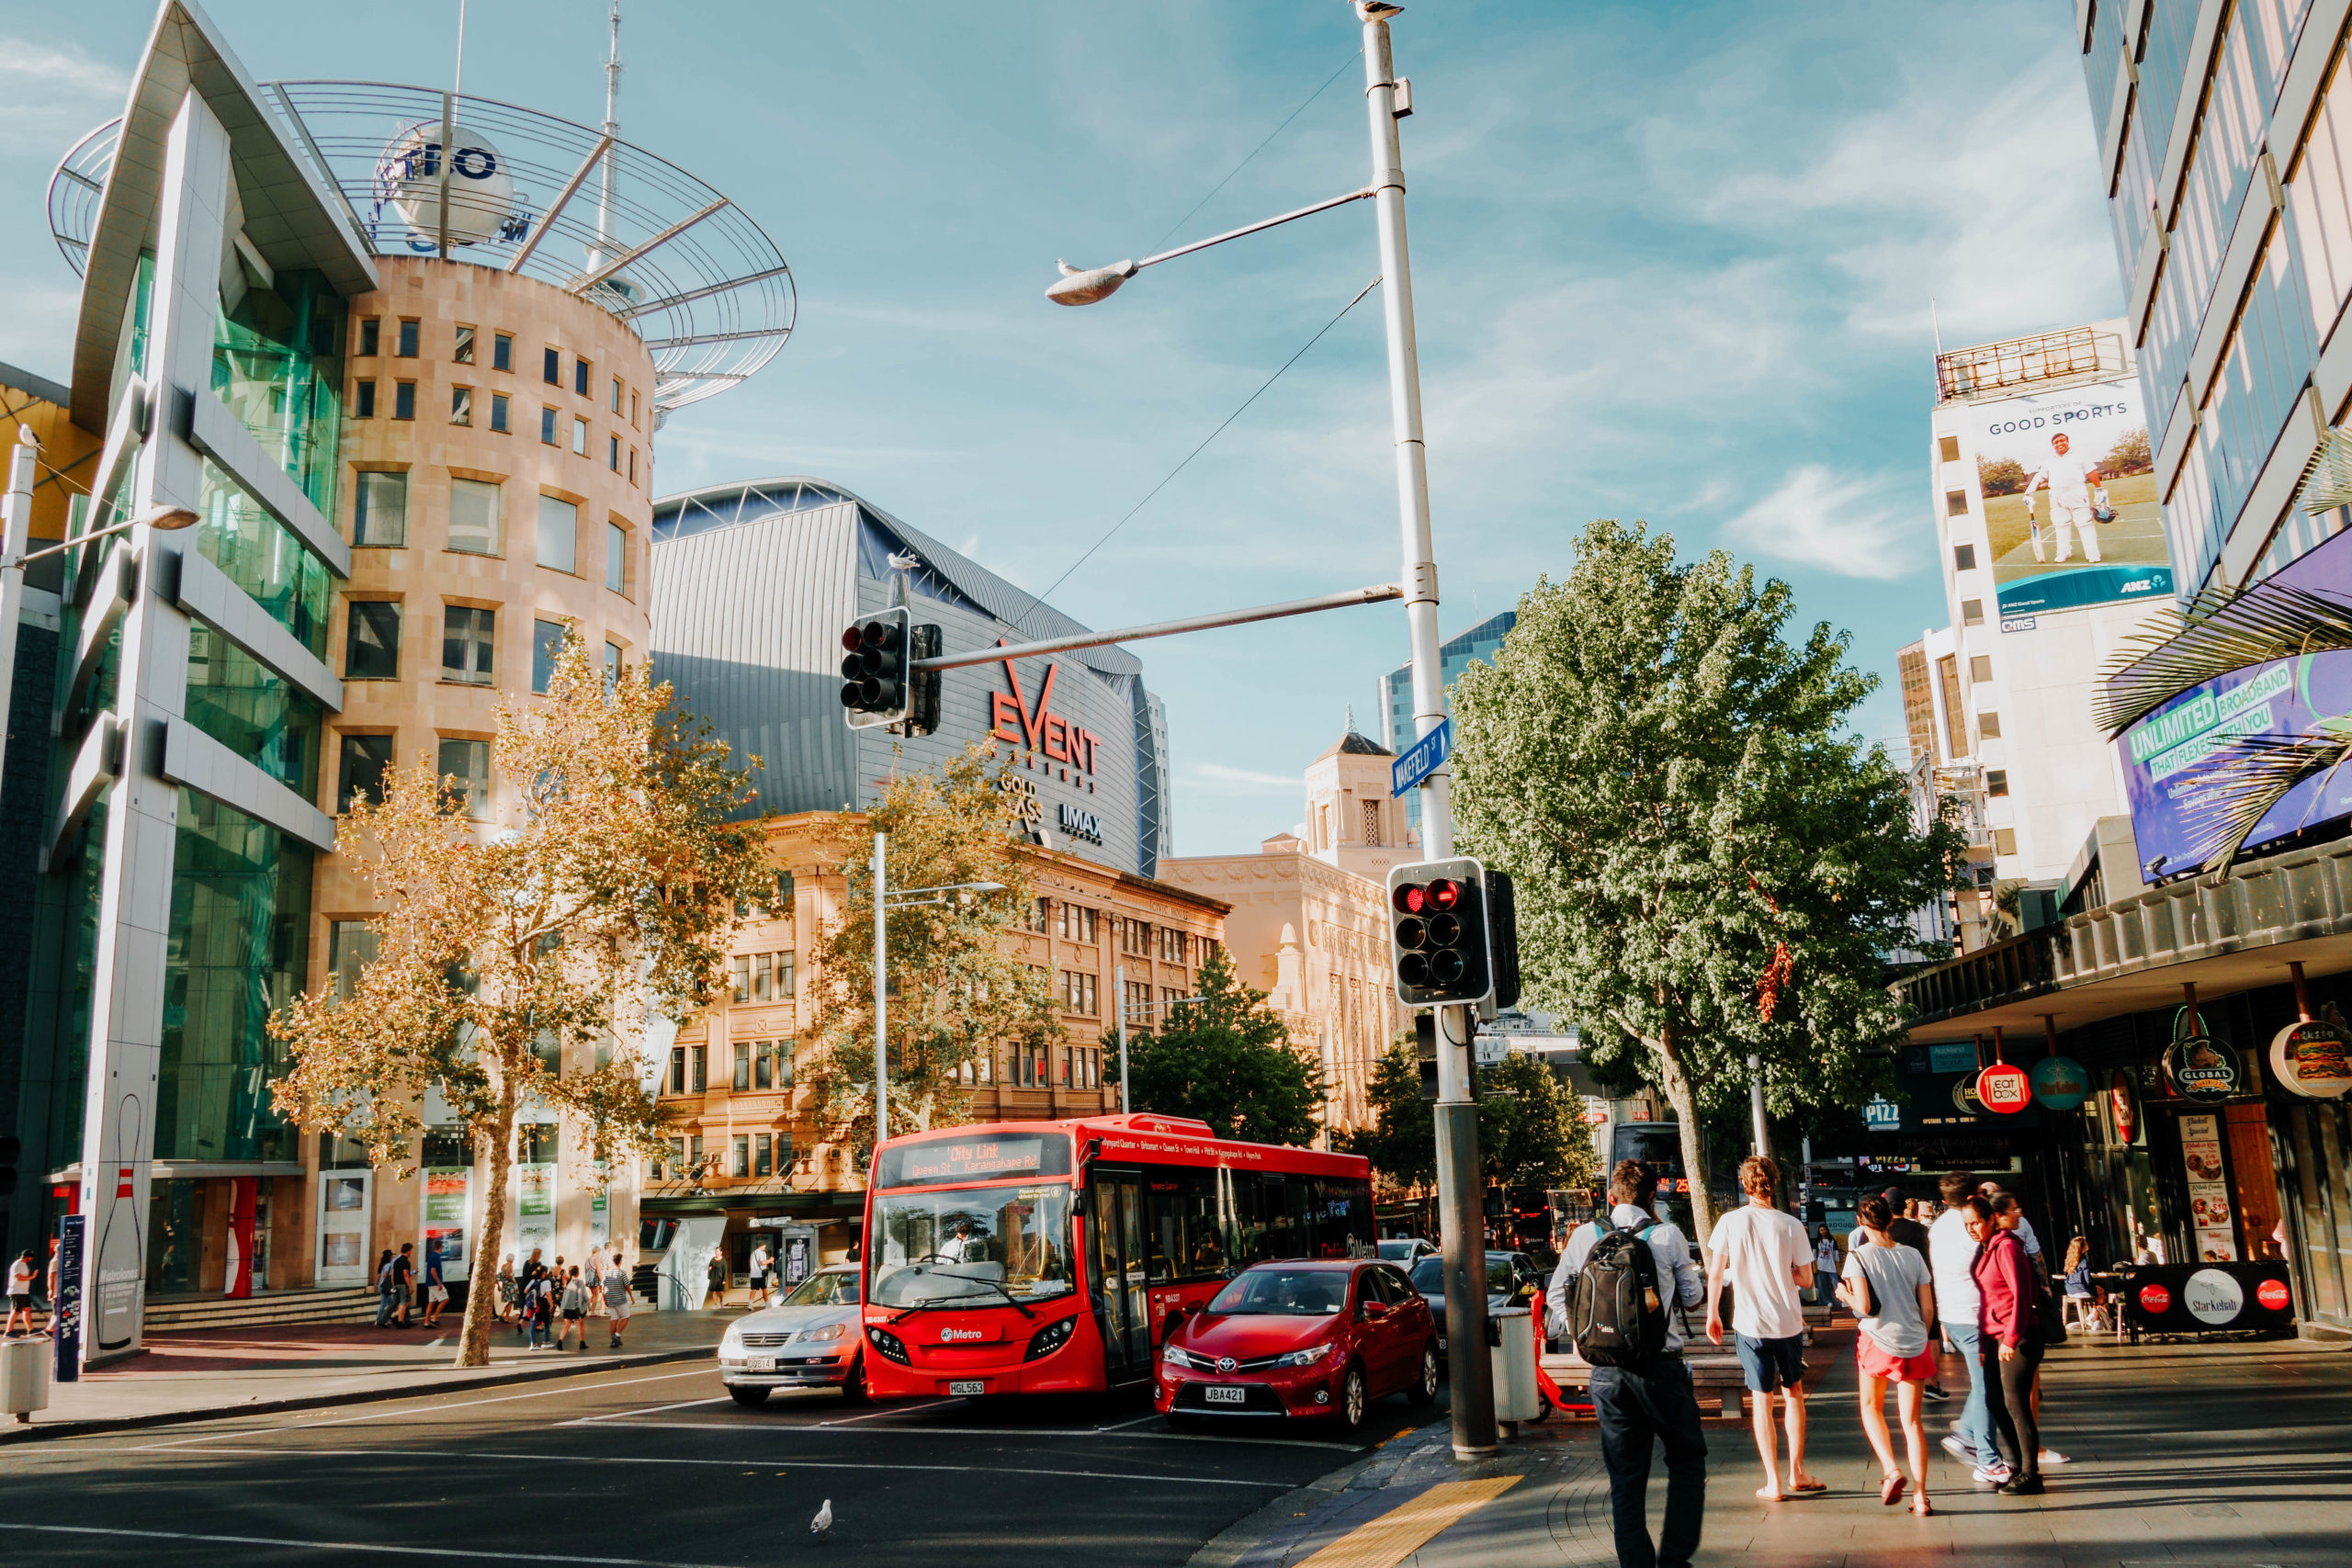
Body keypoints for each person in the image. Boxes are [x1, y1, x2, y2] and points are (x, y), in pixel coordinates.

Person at [1546, 1159, 1706, 1568]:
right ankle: (1674, 1558)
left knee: (1625, 1480)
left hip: (1607, 1375)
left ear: (1611, 1197)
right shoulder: (1668, 1235)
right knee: (1687, 1461)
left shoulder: (1585, 1236)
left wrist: (1585, 1333)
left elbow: (1556, 1297)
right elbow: (1691, 1298)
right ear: (1652, 1197)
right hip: (1661, 1370)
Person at [1706, 1155, 1821, 1501]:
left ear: (1744, 1184)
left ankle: (1772, 1482)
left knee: (1761, 1400)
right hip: (1786, 1321)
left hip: (1750, 1323)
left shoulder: (1729, 1221)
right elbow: (1806, 1278)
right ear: (1775, 1183)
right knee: (1794, 1394)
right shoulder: (1790, 1225)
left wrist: (1713, 1312)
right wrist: (1779, 1270)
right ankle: (1797, 1472)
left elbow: (1715, 1273)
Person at [1838, 1196, 1937, 1517]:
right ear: (1890, 1221)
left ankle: (1892, 1469)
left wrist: (1843, 1294)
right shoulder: (1913, 1255)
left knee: (1871, 1408)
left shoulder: (1858, 1256)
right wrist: (1921, 1334)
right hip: (1914, 1341)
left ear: (1860, 1222)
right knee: (1912, 1421)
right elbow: (1928, 1308)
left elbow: (1864, 1307)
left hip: (1878, 1339)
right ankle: (1921, 1497)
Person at [1970, 1194, 2043, 1495]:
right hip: (1994, 1336)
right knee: (1994, 1402)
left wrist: (2010, 1338)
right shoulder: (1985, 1248)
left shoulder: (2007, 1246)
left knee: (2015, 1403)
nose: (1971, 1228)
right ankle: (2017, 1464)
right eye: (1967, 1224)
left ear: (1991, 1219)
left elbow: (2022, 1297)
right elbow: (1988, 1299)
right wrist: (1983, 1344)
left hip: (2018, 1336)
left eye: (1976, 1222)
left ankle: (2031, 1474)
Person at [1928, 1172, 1998, 1474]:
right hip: (1976, 1316)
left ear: (1944, 1200)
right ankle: (1985, 1456)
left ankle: (1969, 1437)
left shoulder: (1937, 1227)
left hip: (1952, 1315)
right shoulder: (1974, 1227)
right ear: (1975, 1196)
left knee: (1986, 1385)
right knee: (1987, 1388)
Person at [1877, 1190, 1943, 1402]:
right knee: (1931, 1335)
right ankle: (1932, 1382)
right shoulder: (1919, 1229)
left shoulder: (1883, 1232)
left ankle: (1902, 1377)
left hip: (1896, 1291)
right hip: (1923, 1285)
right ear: (1903, 1207)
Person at [2018, 431, 2105, 565]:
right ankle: (2063, 552)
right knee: (2060, 525)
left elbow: (2091, 472)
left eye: (2062, 441)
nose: (2059, 444)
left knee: (2084, 524)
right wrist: (2028, 493)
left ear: (2067, 441)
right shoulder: (2049, 460)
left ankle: (2093, 554)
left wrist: (2099, 489)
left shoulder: (2079, 455)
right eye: (2056, 442)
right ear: (2053, 445)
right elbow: (2039, 477)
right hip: (2057, 497)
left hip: (2077, 494)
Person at [555, 1266, 590, 1351]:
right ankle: (582, 1342)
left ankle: (560, 1341)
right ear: (577, 1273)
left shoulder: (567, 1282)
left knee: (567, 1325)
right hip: (576, 1307)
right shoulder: (579, 1282)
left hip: (567, 1307)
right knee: (581, 1324)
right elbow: (583, 1294)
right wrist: (588, 1303)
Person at [4, 1251, 34, 1337]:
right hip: (17, 1292)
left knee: (27, 1309)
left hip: (24, 1292)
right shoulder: (17, 1264)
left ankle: (31, 1329)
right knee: (16, 1311)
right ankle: (8, 1331)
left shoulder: (24, 1264)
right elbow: (18, 1277)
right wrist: (32, 1277)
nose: (32, 1259)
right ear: (27, 1257)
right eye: (31, 1257)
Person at [421, 1239, 448, 1328]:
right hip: (435, 1283)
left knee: (431, 1302)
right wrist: (439, 1282)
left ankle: (426, 1322)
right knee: (445, 1299)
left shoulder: (431, 1256)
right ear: (441, 1247)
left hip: (430, 1283)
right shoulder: (436, 1257)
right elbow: (433, 1271)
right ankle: (434, 1318)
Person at [607, 1256, 633, 1349]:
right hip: (620, 1299)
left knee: (614, 1319)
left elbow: (603, 1287)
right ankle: (617, 1335)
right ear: (620, 1262)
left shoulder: (607, 1273)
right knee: (626, 1317)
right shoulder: (622, 1273)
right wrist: (631, 1297)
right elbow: (627, 1286)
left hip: (610, 1299)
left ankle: (613, 1341)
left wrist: (605, 1299)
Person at [389, 1243, 416, 1327]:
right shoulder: (405, 1262)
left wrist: (393, 1284)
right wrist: (410, 1286)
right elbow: (406, 1275)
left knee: (406, 1300)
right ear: (408, 1251)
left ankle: (399, 1317)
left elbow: (393, 1273)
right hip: (403, 1284)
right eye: (410, 1250)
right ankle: (399, 1320)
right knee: (404, 1302)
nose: (411, 1252)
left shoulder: (396, 1260)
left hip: (396, 1283)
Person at [1812, 1225, 1838, 1309]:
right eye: (1821, 1230)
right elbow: (1814, 1254)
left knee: (1835, 1282)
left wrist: (1836, 1263)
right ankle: (1827, 1301)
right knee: (1823, 1284)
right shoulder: (1817, 1241)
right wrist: (1814, 1263)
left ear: (1827, 1230)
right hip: (1821, 1265)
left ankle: (1839, 1300)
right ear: (1819, 1232)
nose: (1823, 1231)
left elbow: (1835, 1253)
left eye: (1824, 1229)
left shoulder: (1832, 1240)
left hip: (1831, 1265)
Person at [373, 1248, 399, 1328]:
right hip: (385, 1287)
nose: (392, 1257)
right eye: (391, 1256)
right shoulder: (388, 1265)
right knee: (384, 1304)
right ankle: (379, 1319)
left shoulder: (382, 1264)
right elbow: (384, 1275)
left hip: (382, 1286)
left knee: (390, 1303)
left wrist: (376, 1285)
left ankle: (385, 1318)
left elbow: (378, 1276)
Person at [749, 1241, 773, 1307]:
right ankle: (767, 1303)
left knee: (753, 1289)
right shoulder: (762, 1253)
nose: (765, 1246)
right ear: (761, 1246)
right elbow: (762, 1263)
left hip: (753, 1274)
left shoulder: (753, 1253)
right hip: (761, 1274)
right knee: (764, 1288)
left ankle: (750, 1304)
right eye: (764, 1245)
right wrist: (770, 1260)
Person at [496, 1256, 518, 1324]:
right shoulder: (510, 1265)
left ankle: (502, 1314)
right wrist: (513, 1281)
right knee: (511, 1301)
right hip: (510, 1286)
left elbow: (502, 1276)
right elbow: (507, 1276)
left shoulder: (503, 1266)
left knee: (509, 1301)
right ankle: (507, 1318)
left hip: (505, 1285)